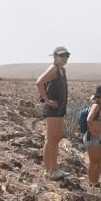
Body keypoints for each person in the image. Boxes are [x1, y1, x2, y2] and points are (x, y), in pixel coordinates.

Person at [36, 47, 70, 179]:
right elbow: (39, 82)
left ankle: (55, 168)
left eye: (66, 56)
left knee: (56, 139)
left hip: (60, 109)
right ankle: (48, 170)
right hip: (52, 109)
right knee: (50, 140)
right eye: (62, 56)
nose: (64, 58)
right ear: (55, 56)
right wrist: (47, 100)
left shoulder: (63, 70)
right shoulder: (54, 68)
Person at [83, 85, 101, 188]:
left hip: (98, 136)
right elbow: (88, 119)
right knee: (93, 161)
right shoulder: (96, 106)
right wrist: (94, 132)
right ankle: (91, 183)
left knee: (100, 160)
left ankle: (95, 182)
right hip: (92, 136)